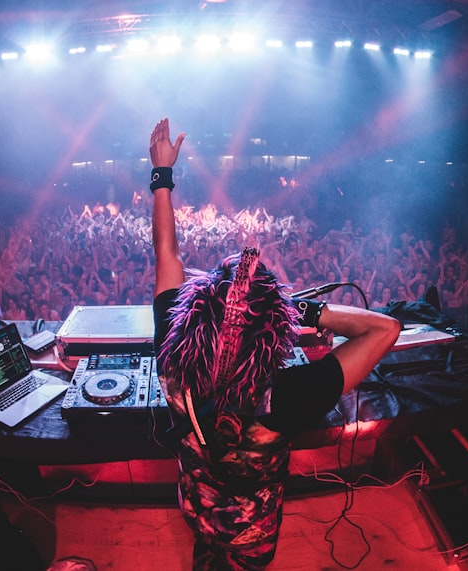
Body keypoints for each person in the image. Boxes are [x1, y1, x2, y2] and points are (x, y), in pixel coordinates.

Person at [148, 117, 401, 570]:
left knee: (205, 553)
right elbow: (384, 330)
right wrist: (300, 310)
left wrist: (161, 175)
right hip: (252, 531)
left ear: (197, 309)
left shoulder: (173, 353)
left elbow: (167, 254)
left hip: (196, 507)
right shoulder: (288, 396)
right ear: (271, 331)